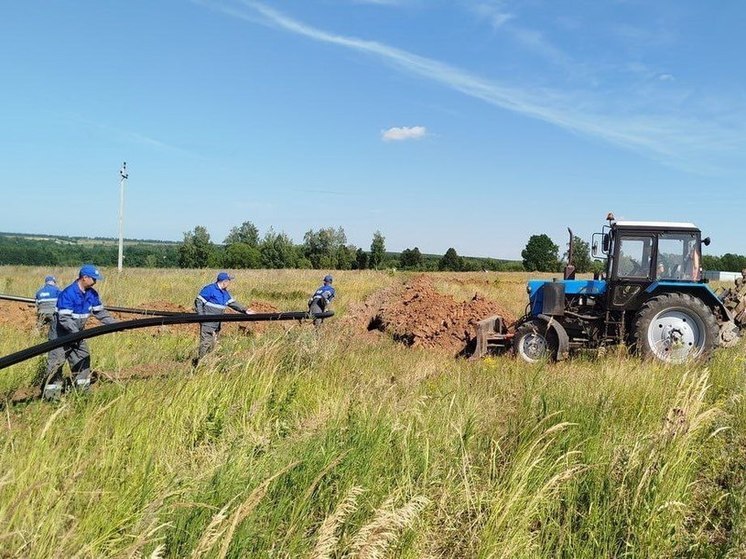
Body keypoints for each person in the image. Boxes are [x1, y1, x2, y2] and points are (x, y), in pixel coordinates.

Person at [42, 265, 116, 400]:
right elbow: (64, 319)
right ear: (85, 278)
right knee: (56, 364)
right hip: (61, 335)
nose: (96, 281)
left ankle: (83, 393)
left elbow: (100, 312)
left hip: (77, 335)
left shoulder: (92, 294)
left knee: (83, 357)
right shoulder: (68, 293)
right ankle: (52, 398)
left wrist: (115, 325)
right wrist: (77, 333)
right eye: (94, 278)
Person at [193, 272, 254, 365]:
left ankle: (209, 362)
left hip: (217, 323)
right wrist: (201, 317)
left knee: (213, 343)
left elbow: (233, 303)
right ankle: (201, 363)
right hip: (208, 322)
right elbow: (198, 301)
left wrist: (245, 310)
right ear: (224, 282)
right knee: (205, 343)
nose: (230, 283)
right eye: (229, 281)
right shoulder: (210, 289)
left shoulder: (225, 293)